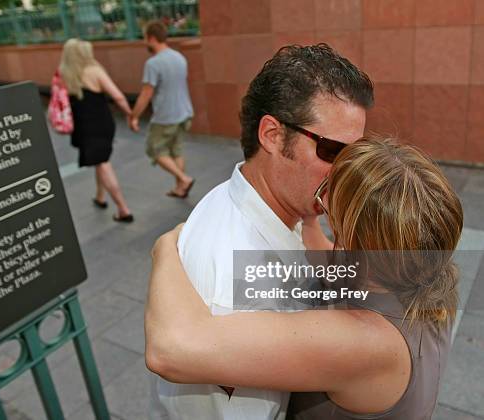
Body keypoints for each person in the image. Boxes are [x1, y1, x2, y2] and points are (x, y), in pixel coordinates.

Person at [146, 136, 463, 420]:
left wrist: (165, 249)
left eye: (331, 205)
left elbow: (171, 350)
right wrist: (310, 218)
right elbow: (332, 259)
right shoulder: (430, 274)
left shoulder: (363, 342)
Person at [145, 44, 374, 420]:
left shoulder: (280, 203)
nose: (348, 172)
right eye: (333, 151)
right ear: (271, 134)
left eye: (356, 154)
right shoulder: (235, 287)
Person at [59, 38, 134, 222]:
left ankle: (108, 201)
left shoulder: (64, 73)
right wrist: (131, 115)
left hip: (83, 126)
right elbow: (117, 96)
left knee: (100, 161)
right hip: (101, 123)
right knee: (101, 161)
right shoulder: (94, 70)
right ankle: (122, 208)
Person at [129, 21, 195, 198]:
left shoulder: (153, 63)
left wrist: (134, 116)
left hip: (166, 117)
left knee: (155, 150)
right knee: (177, 150)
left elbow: (146, 94)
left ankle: (183, 178)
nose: (144, 43)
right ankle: (180, 187)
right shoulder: (179, 57)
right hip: (185, 112)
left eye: (144, 38)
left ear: (151, 38)